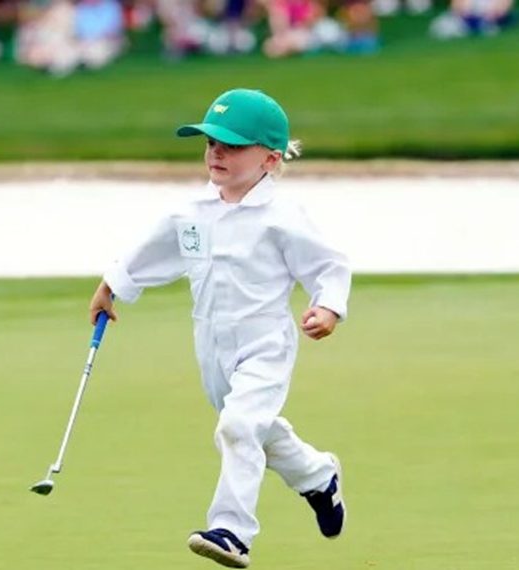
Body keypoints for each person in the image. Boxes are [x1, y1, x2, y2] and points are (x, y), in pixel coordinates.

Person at [88, 88, 350, 569]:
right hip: (210, 344)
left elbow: (329, 265)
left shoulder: (283, 218)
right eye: (210, 142)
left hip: (265, 343)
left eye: (231, 145)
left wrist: (327, 308)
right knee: (255, 430)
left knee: (237, 426)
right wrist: (114, 284)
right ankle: (318, 477)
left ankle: (232, 530)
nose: (216, 153)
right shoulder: (191, 213)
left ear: (270, 159)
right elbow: (153, 253)